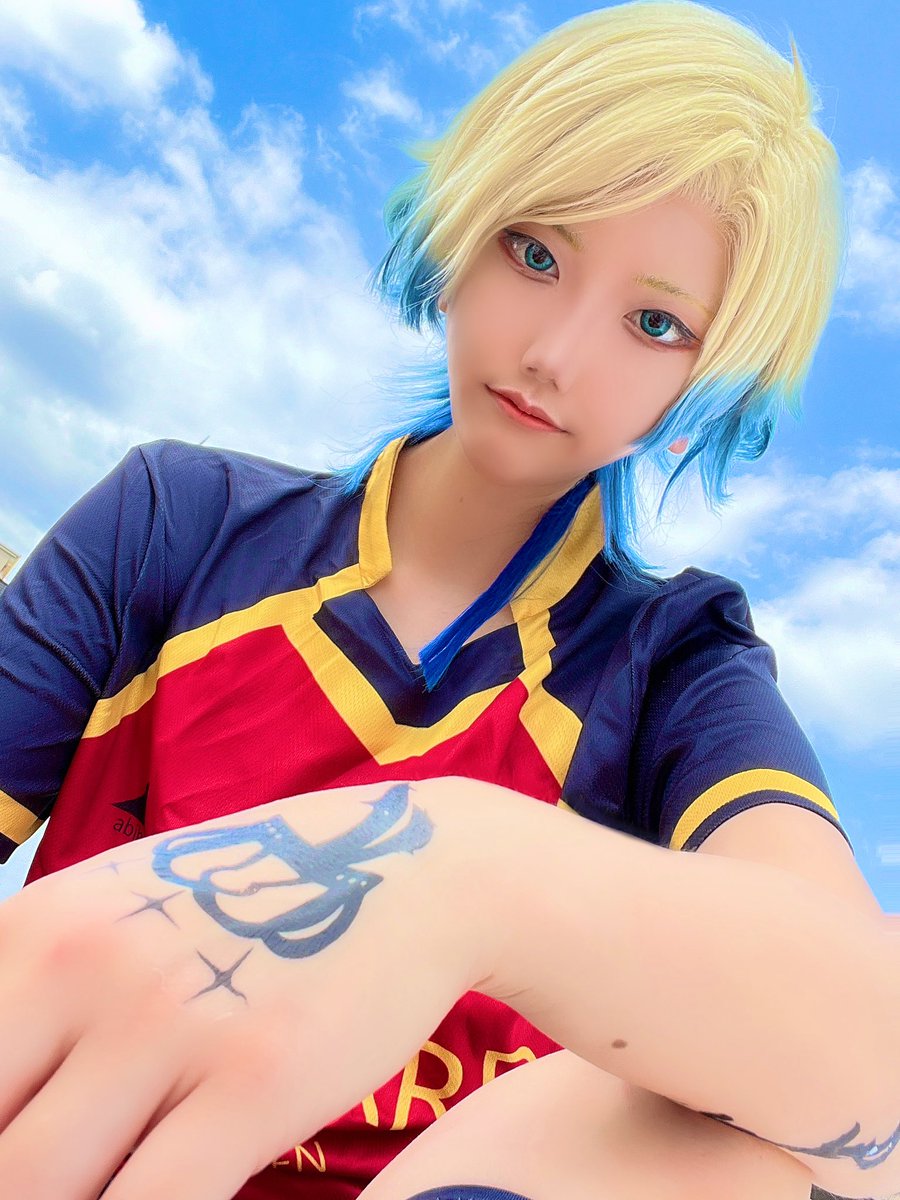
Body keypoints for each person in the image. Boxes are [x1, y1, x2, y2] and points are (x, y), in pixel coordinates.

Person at [0, 3, 891, 1200]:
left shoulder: (672, 661)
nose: (556, 354)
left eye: (655, 323)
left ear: (708, 381)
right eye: (536, 252)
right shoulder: (178, 522)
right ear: (466, 225)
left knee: (748, 1152)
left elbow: (869, 1052)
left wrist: (466, 879)